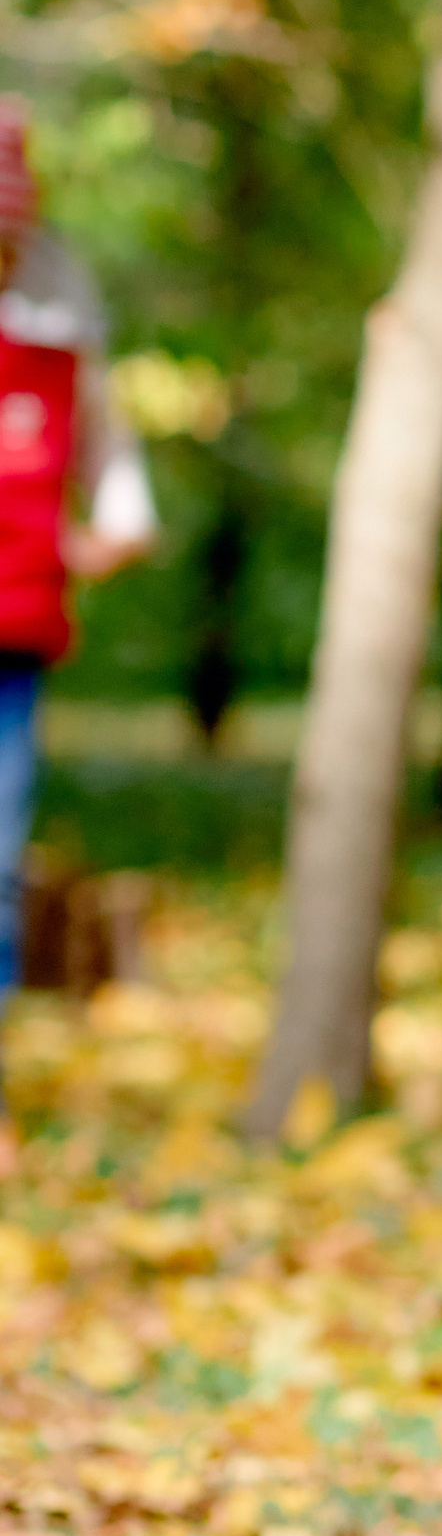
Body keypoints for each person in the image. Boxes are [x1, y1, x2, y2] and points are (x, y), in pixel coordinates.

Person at [0, 100, 156, 1064]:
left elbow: (106, 449)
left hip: (18, 607)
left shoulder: (59, 315)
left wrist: (116, 530)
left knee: (1, 828)